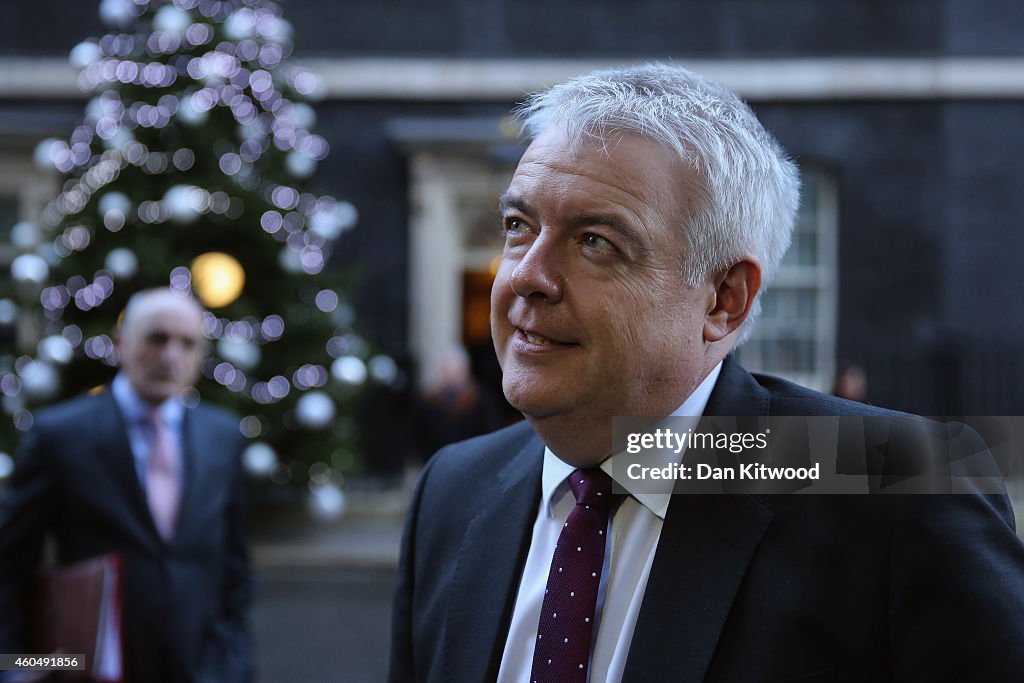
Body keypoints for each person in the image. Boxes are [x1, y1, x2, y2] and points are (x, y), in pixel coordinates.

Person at [389, 64, 1024, 682]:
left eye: (596, 242)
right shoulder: (454, 489)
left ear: (723, 300)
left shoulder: (899, 488)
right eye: (517, 226)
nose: (525, 274)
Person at [0, 288, 251, 683]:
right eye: (156, 338)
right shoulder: (61, 435)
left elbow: (235, 570)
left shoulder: (222, 437)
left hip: (202, 670)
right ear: (120, 344)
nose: (171, 356)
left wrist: (233, 667)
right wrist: (20, 668)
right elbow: (9, 565)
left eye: (187, 343)